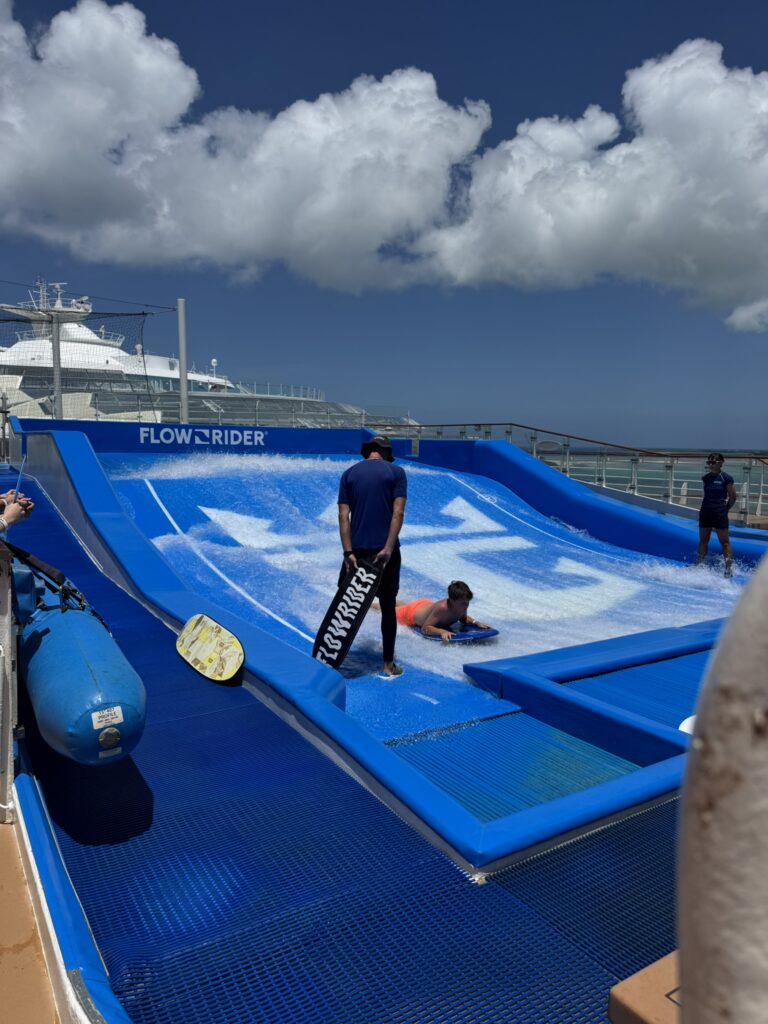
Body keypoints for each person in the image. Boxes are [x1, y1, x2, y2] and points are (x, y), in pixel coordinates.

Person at [337, 435, 407, 677]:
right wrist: (387, 549)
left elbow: (343, 517)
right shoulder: (396, 472)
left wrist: (348, 553)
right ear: (385, 453)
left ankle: (336, 657)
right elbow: (398, 514)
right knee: (388, 608)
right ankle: (388, 664)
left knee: (345, 605)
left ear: (368, 451)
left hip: (356, 553)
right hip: (385, 552)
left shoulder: (349, 474)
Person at [394, 580, 492, 641]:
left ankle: (398, 603)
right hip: (410, 614)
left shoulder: (461, 606)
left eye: (467, 602)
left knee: (404, 606)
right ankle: (379, 603)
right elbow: (425, 628)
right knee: (386, 609)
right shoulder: (442, 609)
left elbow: (463, 619)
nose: (466, 605)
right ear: (452, 600)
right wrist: (441, 632)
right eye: (463, 603)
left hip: (424, 606)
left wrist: (476, 623)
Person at [697, 453, 736, 577]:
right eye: (708, 463)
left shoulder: (726, 478)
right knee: (703, 541)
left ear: (720, 463)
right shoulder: (706, 478)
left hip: (720, 513)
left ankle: (728, 569)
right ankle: (700, 566)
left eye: (712, 462)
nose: (710, 465)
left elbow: (733, 497)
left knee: (724, 542)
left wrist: (725, 509)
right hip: (705, 512)